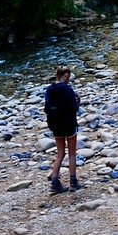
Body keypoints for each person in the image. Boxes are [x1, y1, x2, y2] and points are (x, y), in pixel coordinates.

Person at [45, 65, 82, 193]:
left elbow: (46, 109)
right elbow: (73, 108)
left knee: (60, 153)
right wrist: (77, 102)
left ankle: (55, 183)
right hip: (69, 124)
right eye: (69, 76)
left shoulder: (49, 89)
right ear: (66, 75)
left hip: (55, 125)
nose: (69, 78)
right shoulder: (68, 89)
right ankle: (73, 182)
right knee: (72, 154)